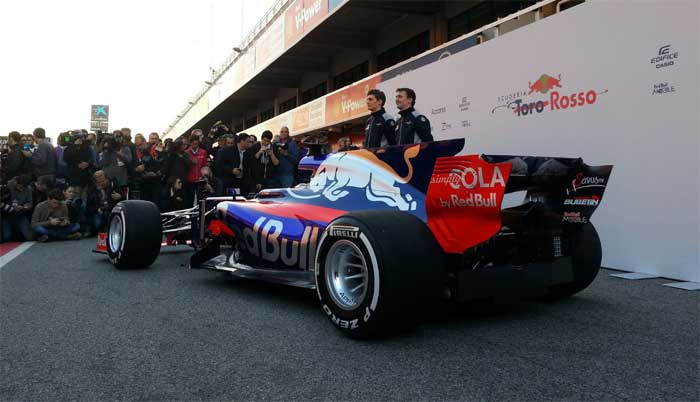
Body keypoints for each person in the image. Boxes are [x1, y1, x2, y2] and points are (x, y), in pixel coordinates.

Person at [1, 174, 33, 241]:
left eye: (23, 188)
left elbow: (30, 203)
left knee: (29, 236)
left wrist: (25, 207)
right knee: (7, 237)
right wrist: (12, 207)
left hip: (20, 214)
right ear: (16, 182)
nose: (21, 189)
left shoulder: (28, 189)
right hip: (6, 215)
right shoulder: (7, 186)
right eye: (20, 187)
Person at [184, 135, 209, 206]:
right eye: (193, 144)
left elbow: (204, 165)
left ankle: (200, 215)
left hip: (200, 180)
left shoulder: (203, 152)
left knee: (200, 200)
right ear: (190, 143)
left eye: (196, 143)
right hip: (189, 180)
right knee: (189, 200)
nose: (195, 145)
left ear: (198, 142)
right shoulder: (186, 153)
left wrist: (205, 177)